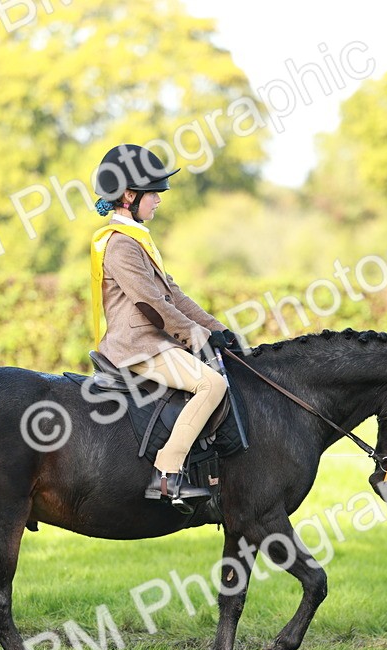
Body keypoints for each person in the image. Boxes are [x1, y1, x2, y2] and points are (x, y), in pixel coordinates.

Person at [89, 144, 240, 509]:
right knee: (211, 383)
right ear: (129, 196)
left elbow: (174, 294)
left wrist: (217, 329)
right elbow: (151, 304)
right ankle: (167, 474)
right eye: (153, 193)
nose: (158, 200)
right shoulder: (121, 246)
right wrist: (193, 334)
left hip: (154, 341)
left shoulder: (139, 241)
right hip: (138, 346)